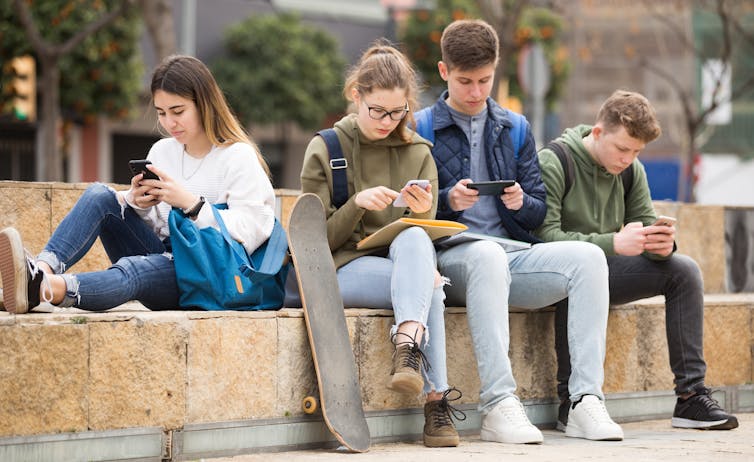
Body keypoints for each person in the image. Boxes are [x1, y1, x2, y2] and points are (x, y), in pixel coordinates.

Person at [422, 19, 623, 443]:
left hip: (511, 255)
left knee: (589, 258)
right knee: (487, 256)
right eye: (465, 82)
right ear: (444, 72)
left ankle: (586, 401)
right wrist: (446, 200)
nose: (476, 92)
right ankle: (498, 404)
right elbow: (406, 212)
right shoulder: (420, 128)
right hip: (450, 260)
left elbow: (538, 212)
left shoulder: (515, 128)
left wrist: (519, 202)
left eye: (485, 80)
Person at [0, 55, 275, 314]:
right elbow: (158, 227)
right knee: (100, 195)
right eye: (162, 113)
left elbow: (253, 231)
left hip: (207, 273)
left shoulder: (238, 157)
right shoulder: (162, 151)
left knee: (133, 269)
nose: (169, 123)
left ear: (204, 103)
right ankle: (41, 271)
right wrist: (139, 204)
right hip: (164, 257)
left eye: (178, 111)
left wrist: (192, 204)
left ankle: (46, 290)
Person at [535, 89, 739, 431]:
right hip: (556, 272)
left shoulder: (631, 170)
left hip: (604, 269)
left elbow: (644, 225)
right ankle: (571, 402)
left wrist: (660, 245)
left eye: (636, 151)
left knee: (683, 270)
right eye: (622, 149)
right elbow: (543, 238)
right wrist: (612, 242)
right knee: (585, 267)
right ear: (597, 133)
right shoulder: (554, 161)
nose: (628, 158)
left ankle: (690, 398)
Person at [299, 42, 463, 448]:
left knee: (414, 242)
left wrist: (424, 214)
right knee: (429, 285)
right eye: (378, 111)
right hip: (342, 268)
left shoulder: (420, 153)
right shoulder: (327, 149)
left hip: (401, 265)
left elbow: (422, 237)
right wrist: (355, 204)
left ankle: (406, 345)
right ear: (357, 96)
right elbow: (313, 243)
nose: (388, 121)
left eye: (398, 112)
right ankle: (436, 402)